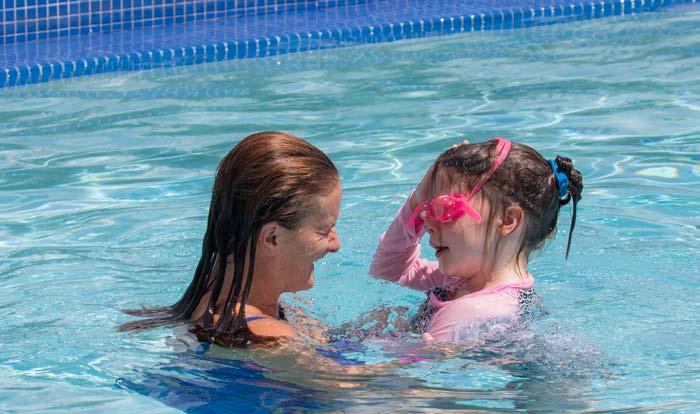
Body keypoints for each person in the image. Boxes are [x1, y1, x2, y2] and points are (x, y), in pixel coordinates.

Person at [119, 131, 341, 347]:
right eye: (323, 230)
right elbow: (345, 375)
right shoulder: (270, 338)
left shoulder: (207, 304)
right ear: (272, 238)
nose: (335, 244)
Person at [369, 137, 583, 343]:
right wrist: (416, 200)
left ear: (508, 220)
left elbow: (415, 368)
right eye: (426, 209)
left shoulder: (467, 312)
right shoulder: (464, 281)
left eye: (445, 208)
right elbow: (392, 272)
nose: (429, 223)